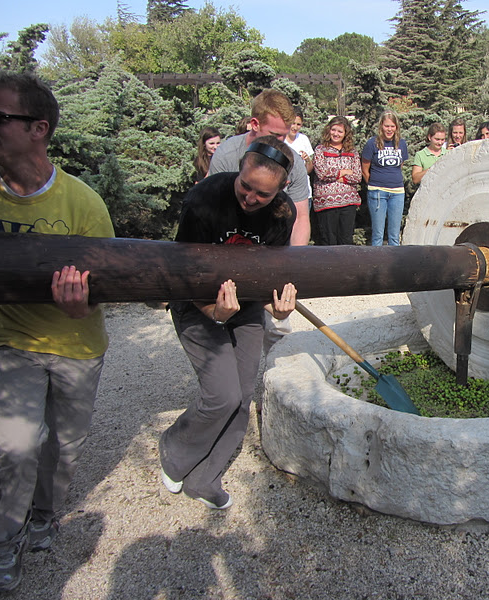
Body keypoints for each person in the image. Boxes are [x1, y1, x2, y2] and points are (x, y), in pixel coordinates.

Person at [0, 72, 114, 591]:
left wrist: (81, 304)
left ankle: (44, 511)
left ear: (37, 128)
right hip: (9, 342)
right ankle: (4, 539)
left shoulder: (83, 204)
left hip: (75, 344)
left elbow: (113, 284)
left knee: (65, 447)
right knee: (14, 445)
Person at [159, 136, 298, 510]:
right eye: (245, 186)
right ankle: (174, 450)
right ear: (239, 169)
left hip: (246, 305)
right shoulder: (204, 198)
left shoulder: (284, 212)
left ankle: (206, 477)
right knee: (222, 395)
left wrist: (276, 308)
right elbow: (181, 271)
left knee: (241, 397)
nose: (250, 199)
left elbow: (272, 270)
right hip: (196, 301)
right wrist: (211, 312)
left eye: (263, 195)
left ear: (281, 190)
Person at [208, 89, 310, 246]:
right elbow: (212, 209)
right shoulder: (227, 154)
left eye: (285, 134)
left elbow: (301, 217)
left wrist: (295, 261)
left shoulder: (293, 163)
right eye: (275, 135)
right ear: (255, 124)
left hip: (271, 245)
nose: (282, 142)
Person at [361, 110, 409, 246]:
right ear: (381, 126)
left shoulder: (402, 144)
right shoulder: (372, 143)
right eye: (387, 126)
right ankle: (376, 265)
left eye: (392, 126)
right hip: (377, 192)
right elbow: (365, 169)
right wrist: (373, 185)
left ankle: (396, 265)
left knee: (394, 236)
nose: (389, 129)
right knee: (378, 235)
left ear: (396, 127)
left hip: (397, 193)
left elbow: (400, 165)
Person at [312, 116, 362, 245]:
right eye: (333, 130)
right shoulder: (320, 150)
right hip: (327, 202)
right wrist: (344, 172)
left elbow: (357, 176)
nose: (336, 134)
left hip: (348, 203)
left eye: (340, 131)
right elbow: (322, 173)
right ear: (329, 130)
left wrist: (334, 175)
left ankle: (347, 265)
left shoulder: (352, 152)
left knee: (346, 240)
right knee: (329, 240)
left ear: (346, 134)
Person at [285, 106, 314, 176]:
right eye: (293, 123)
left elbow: (308, 170)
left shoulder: (303, 139)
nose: (295, 127)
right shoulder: (280, 140)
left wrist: (307, 160)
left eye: (298, 124)